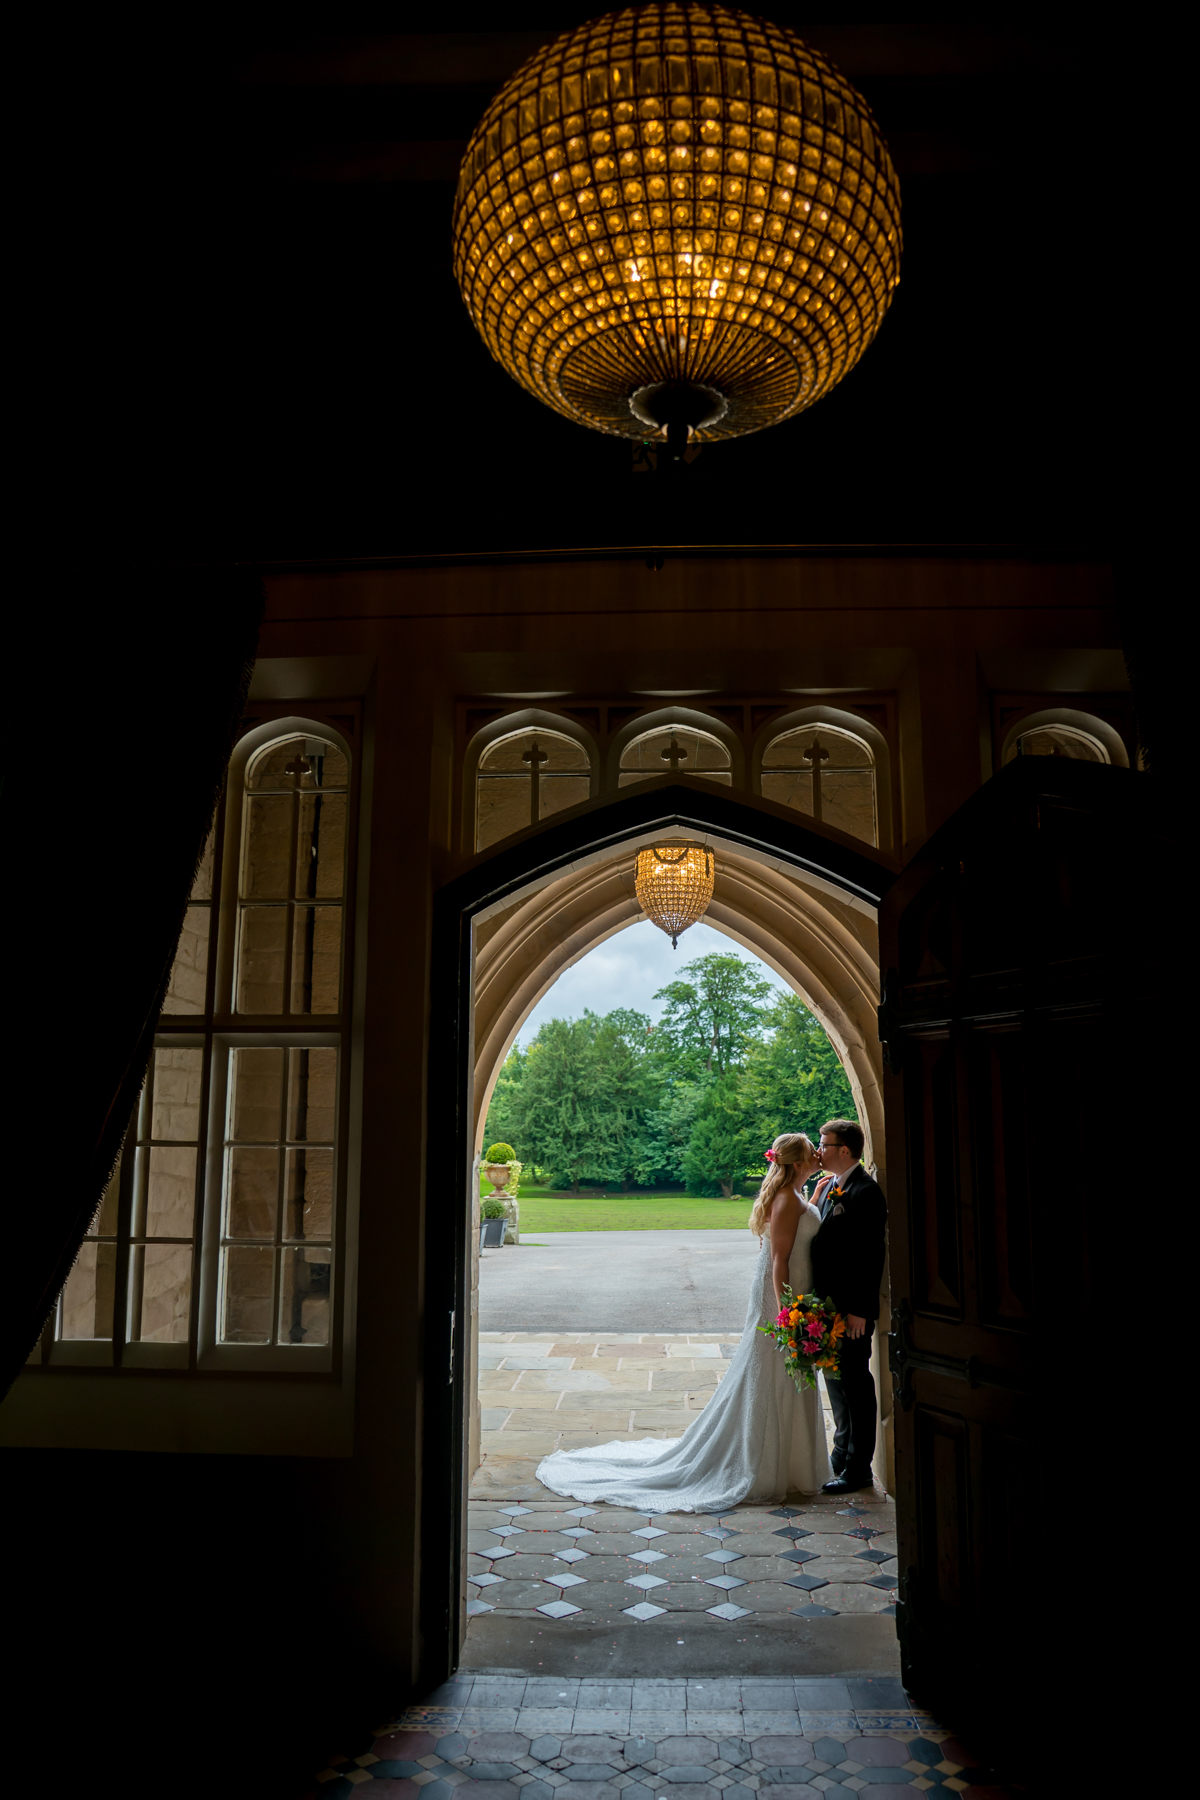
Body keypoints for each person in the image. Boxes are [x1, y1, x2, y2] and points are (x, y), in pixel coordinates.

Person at [535, 1131, 833, 1512]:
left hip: (794, 1295)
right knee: (773, 1373)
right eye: (812, 1153)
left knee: (785, 1375)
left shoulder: (796, 1195)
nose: (817, 1157)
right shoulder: (787, 1200)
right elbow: (778, 1259)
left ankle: (791, 1463)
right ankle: (763, 1462)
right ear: (795, 1163)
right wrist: (785, 1313)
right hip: (781, 1300)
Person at [810, 1117, 888, 1495]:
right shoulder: (830, 1188)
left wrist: (859, 1309)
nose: (818, 1150)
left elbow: (870, 1256)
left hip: (852, 1312)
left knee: (857, 1385)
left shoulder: (866, 1192)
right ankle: (841, 1454)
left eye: (824, 1144)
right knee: (837, 1384)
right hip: (829, 1308)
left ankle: (859, 1469)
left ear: (844, 1150)